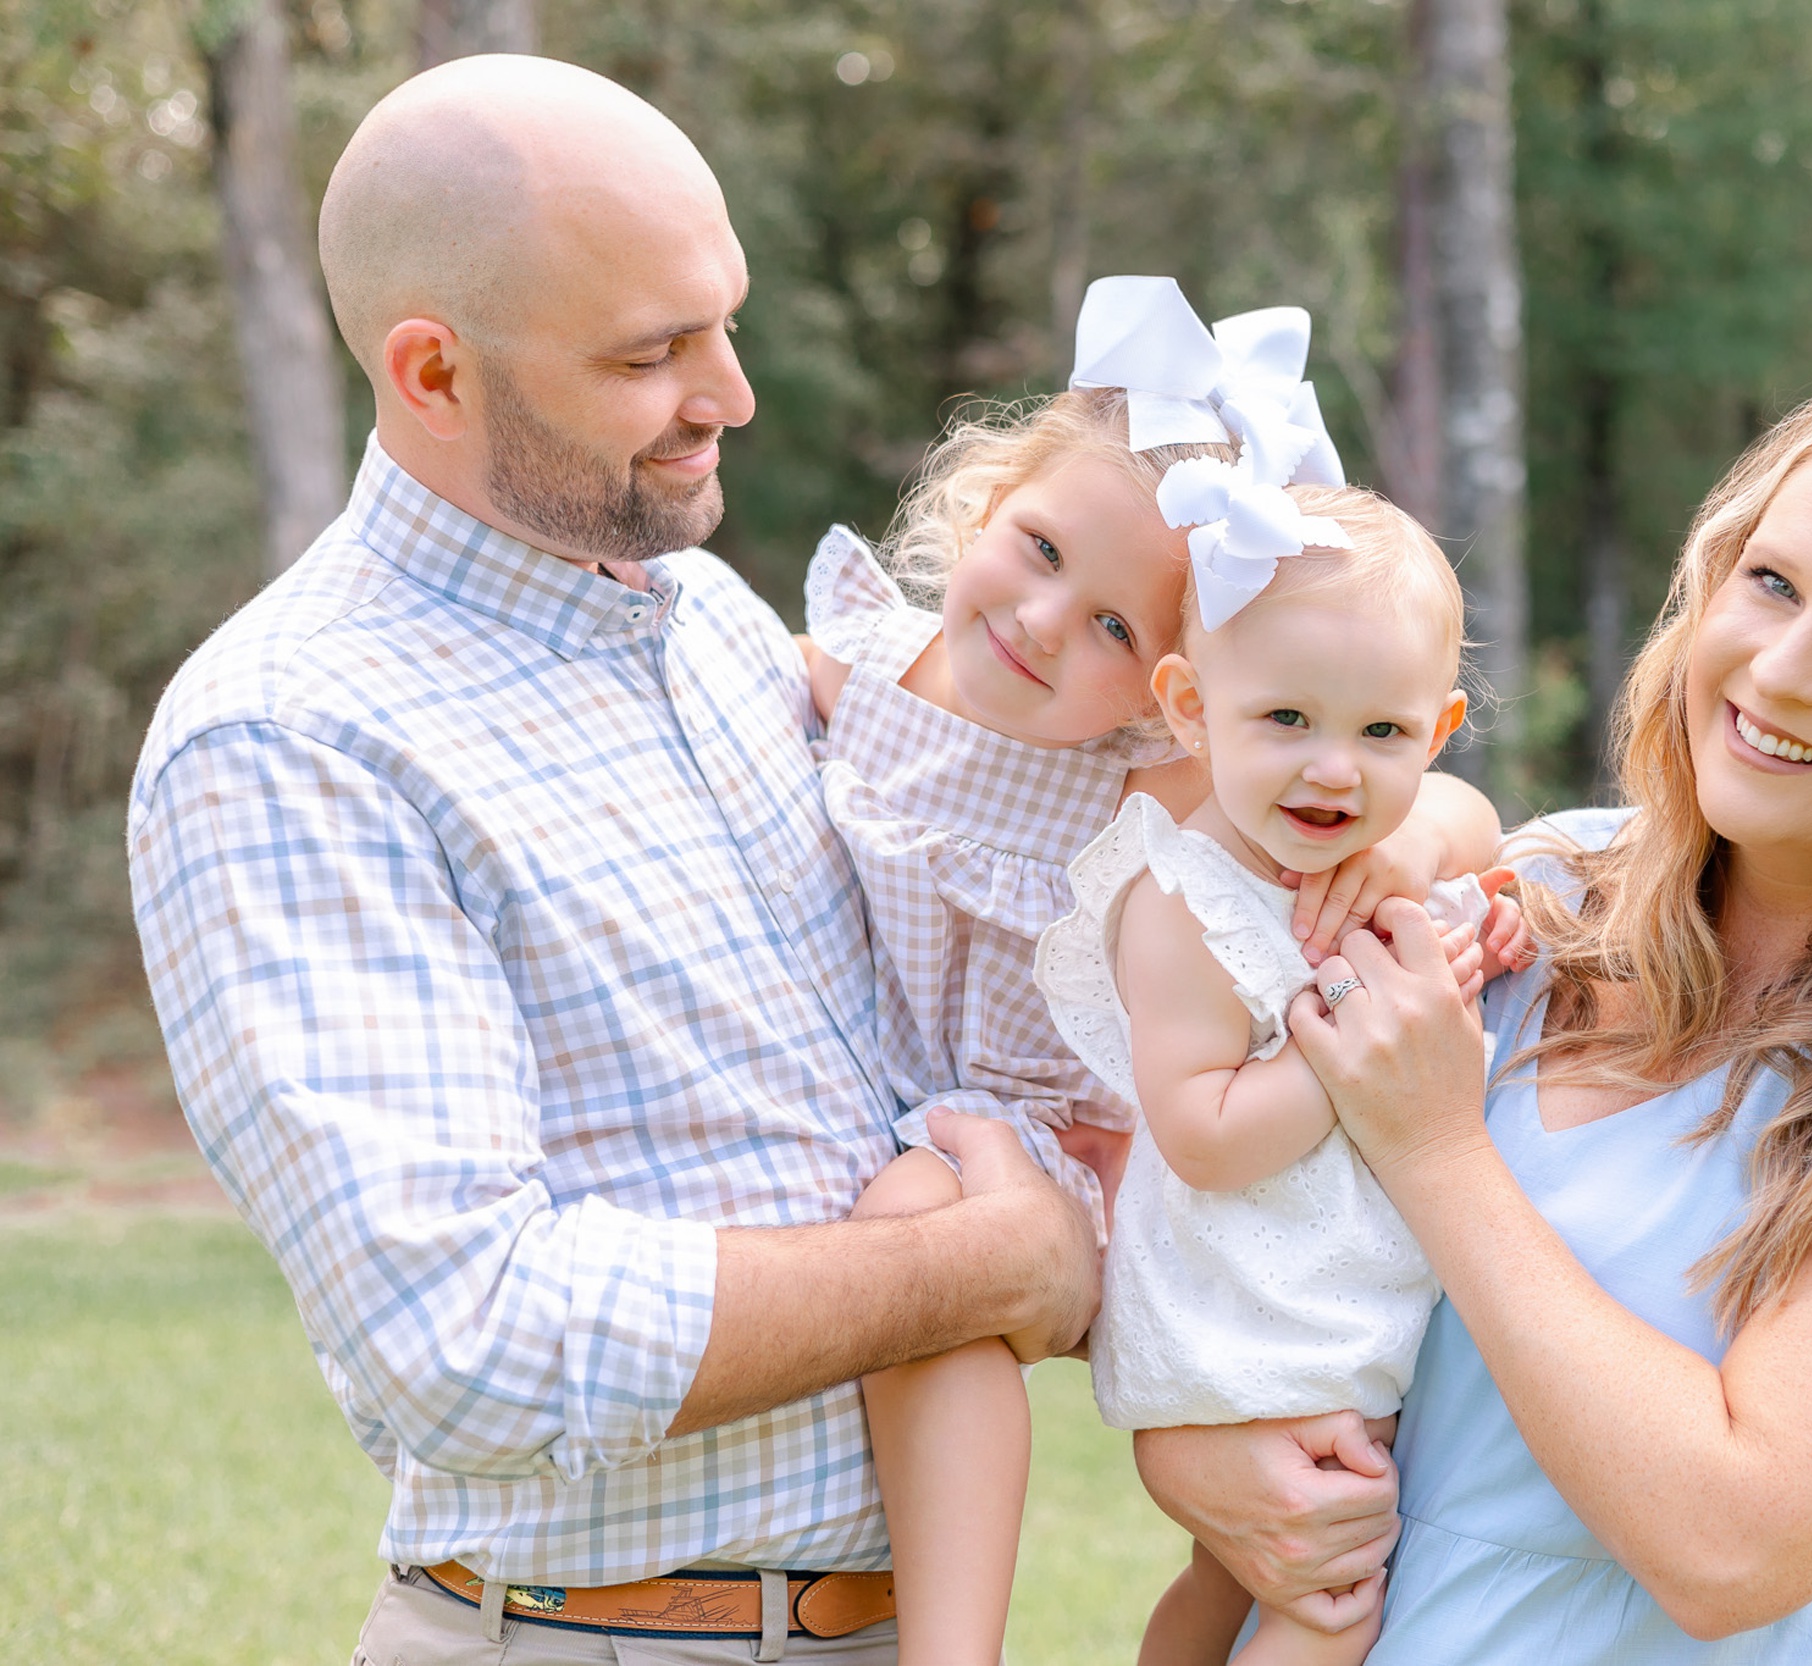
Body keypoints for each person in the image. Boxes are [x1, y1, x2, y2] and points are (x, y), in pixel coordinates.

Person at [126, 56, 1095, 1666]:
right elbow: (469, 1337)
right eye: (652, 353)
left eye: (723, 319)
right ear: (433, 373)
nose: (731, 392)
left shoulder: (712, 622)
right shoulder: (291, 736)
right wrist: (974, 1265)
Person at [1132, 371, 1812, 1662]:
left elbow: (1732, 1544)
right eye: (1771, 583)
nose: (1781, 672)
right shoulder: (1537, 901)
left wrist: (1436, 1149)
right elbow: (1227, 1230)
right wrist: (1194, 1457)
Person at [805, 275, 1506, 1665]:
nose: (1050, 622)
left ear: (1174, 682)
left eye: (1122, 627)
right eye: (1042, 546)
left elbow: (1433, 799)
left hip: (1083, 1149)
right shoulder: (846, 673)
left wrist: (1414, 828)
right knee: (915, 1232)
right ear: (990, 496)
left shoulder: (1146, 763)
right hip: (893, 1119)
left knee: (929, 1234)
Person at [1034, 479, 1528, 1666]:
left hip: (1330, 1289)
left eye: (1380, 734)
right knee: (1329, 1594)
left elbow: (1480, 854)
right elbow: (1200, 1130)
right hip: (1254, 1317)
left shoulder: (1376, 856)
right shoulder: (1189, 902)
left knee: (1230, 1574)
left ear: (1438, 729)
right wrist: (1360, 1039)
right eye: (1286, 720)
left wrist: (1479, 936)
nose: (1332, 773)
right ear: (1192, 707)